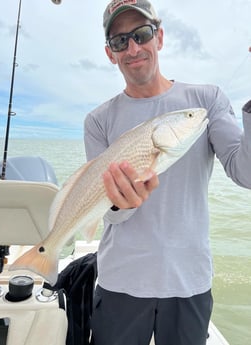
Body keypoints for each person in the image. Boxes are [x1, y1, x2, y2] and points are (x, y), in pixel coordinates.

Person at [84, 1, 251, 344]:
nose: (132, 48)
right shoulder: (98, 120)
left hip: (187, 281)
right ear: (109, 53)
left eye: (141, 34)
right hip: (121, 281)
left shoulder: (205, 101)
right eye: (120, 41)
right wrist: (122, 203)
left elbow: (245, 172)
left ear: (159, 37)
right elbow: (108, 212)